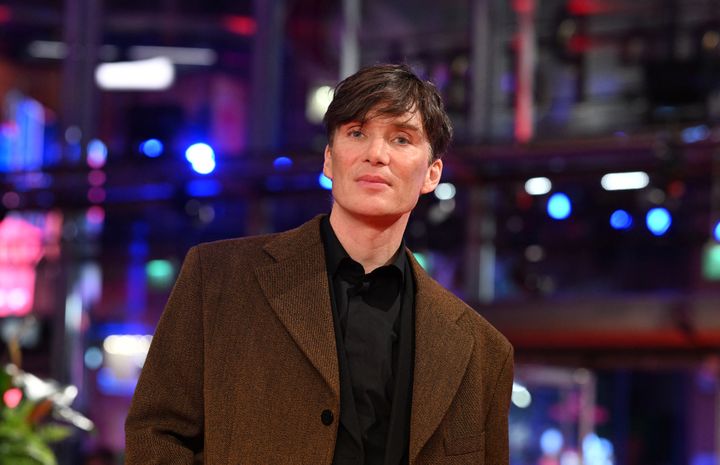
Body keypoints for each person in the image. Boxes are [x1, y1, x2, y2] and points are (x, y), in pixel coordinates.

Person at [125, 63, 513, 465]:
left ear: (432, 173)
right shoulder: (219, 278)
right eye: (357, 133)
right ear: (329, 159)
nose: (376, 154)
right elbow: (156, 432)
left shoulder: (483, 352)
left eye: (401, 139)